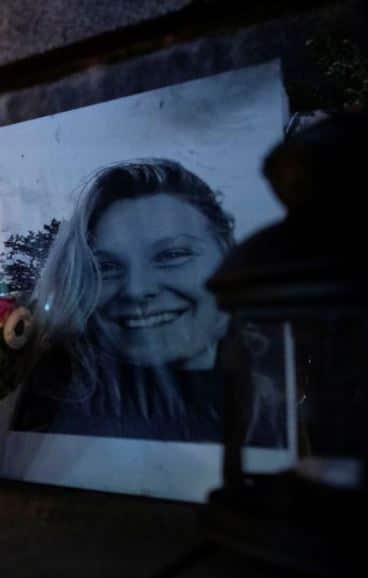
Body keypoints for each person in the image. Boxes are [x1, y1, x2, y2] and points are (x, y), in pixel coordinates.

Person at [17, 158, 282, 444]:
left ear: (225, 254)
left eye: (171, 255)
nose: (136, 289)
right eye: (106, 267)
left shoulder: (282, 395)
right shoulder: (47, 404)